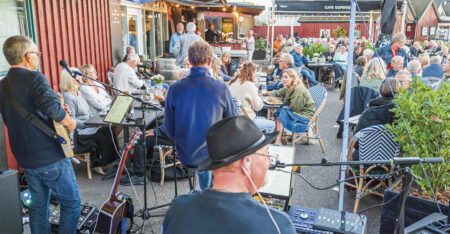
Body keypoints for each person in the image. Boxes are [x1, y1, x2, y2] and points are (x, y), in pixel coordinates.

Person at [0, 35, 80, 233]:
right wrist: (69, 122)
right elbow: (54, 111)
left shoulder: (3, 85)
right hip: (49, 156)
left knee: (38, 207)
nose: (38, 57)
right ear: (28, 56)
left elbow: (15, 117)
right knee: (71, 204)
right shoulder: (35, 77)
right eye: (37, 54)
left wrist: (59, 109)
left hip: (25, 158)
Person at [163, 116, 296, 233]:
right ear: (246, 163)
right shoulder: (278, 225)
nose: (269, 161)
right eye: (266, 154)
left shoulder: (177, 210)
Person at [164, 40, 237, 190]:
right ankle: (209, 193)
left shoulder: (174, 89)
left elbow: (169, 129)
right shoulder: (221, 88)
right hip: (211, 155)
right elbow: (232, 123)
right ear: (210, 61)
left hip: (185, 154)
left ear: (189, 61)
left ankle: (200, 194)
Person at [60, 69, 117, 175]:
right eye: (78, 77)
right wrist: (89, 124)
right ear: (71, 79)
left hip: (88, 125)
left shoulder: (78, 93)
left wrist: (96, 119)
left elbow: (87, 113)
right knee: (104, 131)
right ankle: (98, 163)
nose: (81, 78)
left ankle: (111, 160)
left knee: (108, 127)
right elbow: (70, 121)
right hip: (78, 131)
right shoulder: (67, 96)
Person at [263, 69, 316, 145]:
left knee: (281, 112)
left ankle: (277, 140)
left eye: (286, 77)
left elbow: (296, 108)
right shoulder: (289, 87)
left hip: (304, 115)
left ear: (293, 78)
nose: (283, 79)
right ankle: (278, 139)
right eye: (282, 77)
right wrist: (265, 93)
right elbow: (278, 92)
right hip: (298, 111)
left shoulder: (298, 89)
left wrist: (284, 104)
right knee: (280, 112)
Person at [229, 62, 275, 132]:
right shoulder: (250, 85)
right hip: (245, 121)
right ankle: (260, 142)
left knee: (263, 119)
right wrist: (259, 98)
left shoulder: (232, 82)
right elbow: (257, 107)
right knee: (272, 124)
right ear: (253, 72)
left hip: (232, 119)